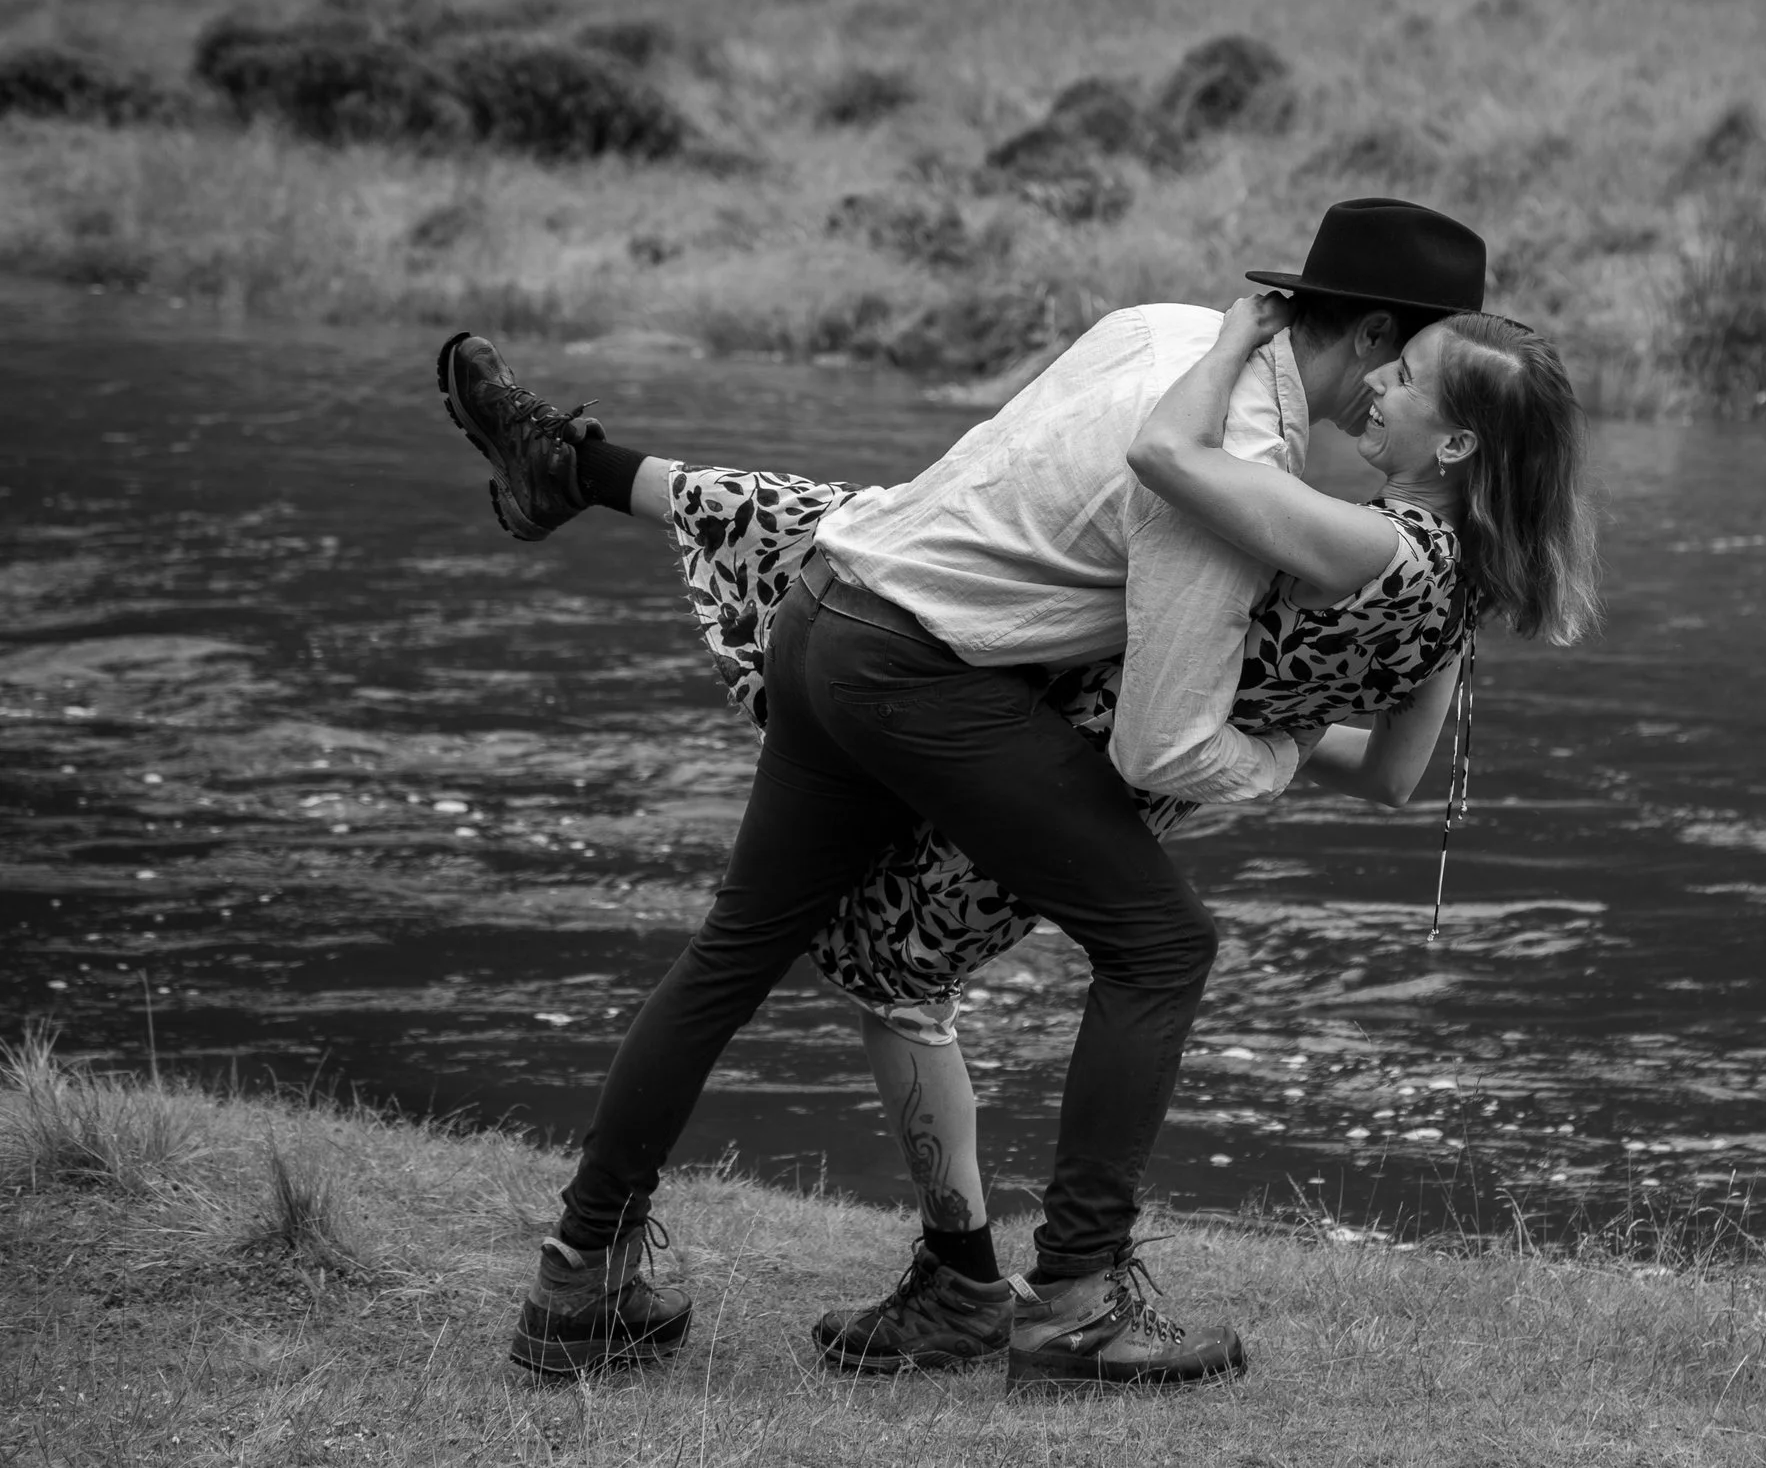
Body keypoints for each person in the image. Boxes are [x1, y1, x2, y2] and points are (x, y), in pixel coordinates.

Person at [443, 198, 1502, 1387]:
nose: (1394, 396)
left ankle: (579, 1281)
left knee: (731, 953)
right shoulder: (1225, 473)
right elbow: (1159, 749)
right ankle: (1074, 1306)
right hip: (913, 674)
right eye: (1407, 363)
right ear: (1364, 337)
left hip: (829, 612)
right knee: (1159, 942)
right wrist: (1284, 750)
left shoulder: (1164, 329)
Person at [629, 294, 1594, 1379]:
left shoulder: (1367, 540)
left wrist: (1241, 335)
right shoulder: (1461, 593)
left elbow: (1164, 450)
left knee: (899, 957)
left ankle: (1032, 1291)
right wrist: (1260, 741)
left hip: (1053, 755)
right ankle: (989, 1288)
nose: (1377, 385)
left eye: (1408, 379)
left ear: (1455, 443)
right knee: (899, 951)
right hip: (1129, 789)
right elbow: (1392, 776)